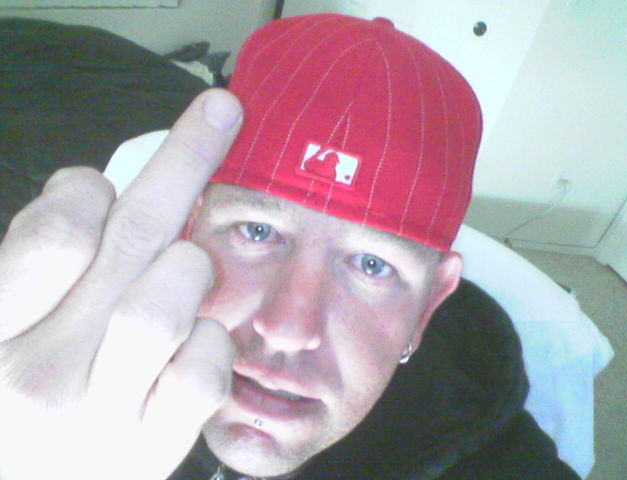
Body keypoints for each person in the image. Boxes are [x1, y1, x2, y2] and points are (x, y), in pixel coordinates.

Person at [0, 14, 579, 480]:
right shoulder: (42, 375)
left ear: (430, 303)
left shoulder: (500, 460)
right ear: (190, 227)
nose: (286, 329)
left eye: (372, 264)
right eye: (256, 232)